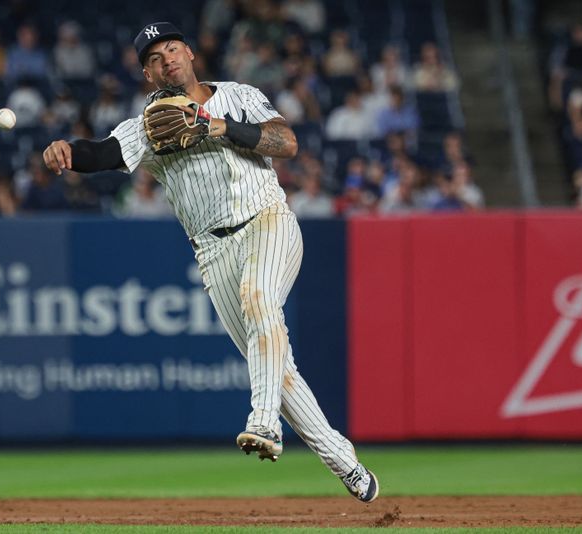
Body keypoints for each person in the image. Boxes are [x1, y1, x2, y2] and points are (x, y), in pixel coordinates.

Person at [42, 21, 379, 503]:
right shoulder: (146, 126)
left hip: (268, 221)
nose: (166, 60)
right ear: (147, 74)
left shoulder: (238, 94)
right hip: (212, 250)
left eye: (172, 49)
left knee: (260, 299)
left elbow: (286, 143)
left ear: (191, 52)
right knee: (276, 370)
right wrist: (68, 151)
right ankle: (347, 464)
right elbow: (104, 153)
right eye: (154, 58)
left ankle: (263, 424)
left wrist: (218, 125)